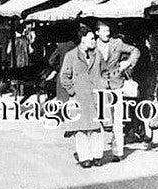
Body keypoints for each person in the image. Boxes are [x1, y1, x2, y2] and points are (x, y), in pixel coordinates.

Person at [58, 21, 108, 168]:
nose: (94, 41)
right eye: (92, 38)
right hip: (79, 97)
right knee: (80, 129)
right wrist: (72, 91)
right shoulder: (71, 56)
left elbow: (104, 72)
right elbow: (64, 76)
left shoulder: (97, 55)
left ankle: (97, 156)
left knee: (96, 127)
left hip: (95, 96)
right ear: (83, 39)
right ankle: (85, 157)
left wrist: (103, 84)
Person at [94, 19, 140, 163]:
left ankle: (118, 152)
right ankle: (97, 154)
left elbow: (135, 51)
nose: (106, 34)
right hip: (99, 86)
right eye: (103, 31)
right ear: (97, 33)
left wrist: (127, 63)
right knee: (100, 120)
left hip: (116, 84)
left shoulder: (117, 43)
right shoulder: (91, 45)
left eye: (108, 31)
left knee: (118, 119)